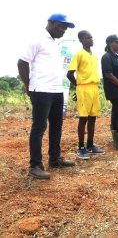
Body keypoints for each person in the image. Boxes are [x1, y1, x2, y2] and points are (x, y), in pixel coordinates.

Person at [17, 13, 76, 179]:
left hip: (56, 90)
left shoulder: (54, 44)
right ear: (50, 23)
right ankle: (35, 165)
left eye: (66, 28)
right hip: (41, 90)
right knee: (39, 127)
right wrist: (28, 84)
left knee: (57, 125)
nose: (64, 30)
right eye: (61, 26)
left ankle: (55, 158)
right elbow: (22, 62)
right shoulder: (37, 39)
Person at [67, 30, 105, 159]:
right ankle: (81, 147)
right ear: (82, 40)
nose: (92, 39)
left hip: (94, 88)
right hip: (83, 88)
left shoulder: (94, 56)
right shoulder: (79, 54)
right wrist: (78, 87)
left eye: (92, 37)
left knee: (93, 117)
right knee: (83, 118)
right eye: (89, 37)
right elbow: (69, 74)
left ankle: (90, 145)